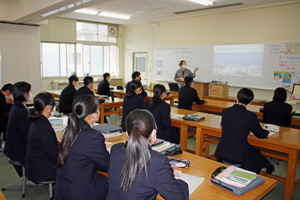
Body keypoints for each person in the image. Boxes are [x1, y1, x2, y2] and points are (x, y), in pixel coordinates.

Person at [107, 109, 189, 200]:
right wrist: (176, 179)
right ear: (154, 133)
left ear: (127, 133)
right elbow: (180, 197)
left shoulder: (115, 149)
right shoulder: (158, 162)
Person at [55, 95, 110, 200]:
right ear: (93, 115)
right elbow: (106, 165)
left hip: (64, 186)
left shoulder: (71, 128)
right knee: (115, 184)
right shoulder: (93, 136)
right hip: (80, 190)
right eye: (98, 109)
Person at [215, 88, 274, 174]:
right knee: (257, 154)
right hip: (238, 156)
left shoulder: (225, 111)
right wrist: (268, 132)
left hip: (222, 152)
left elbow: (227, 125)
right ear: (250, 102)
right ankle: (268, 167)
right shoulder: (251, 116)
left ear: (236, 98)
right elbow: (261, 134)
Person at [25, 93, 58, 182]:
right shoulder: (44, 128)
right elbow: (54, 154)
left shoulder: (37, 120)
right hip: (42, 169)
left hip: (34, 165)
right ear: (48, 107)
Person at [4, 81, 32, 176]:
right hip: (18, 150)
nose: (30, 94)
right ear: (24, 94)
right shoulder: (20, 112)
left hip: (14, 147)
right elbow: (28, 134)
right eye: (29, 92)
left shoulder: (17, 107)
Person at [0, 83, 14, 149]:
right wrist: (7, 102)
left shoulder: (2, 97)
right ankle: (5, 142)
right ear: (7, 92)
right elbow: (4, 109)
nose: (10, 96)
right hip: (2, 119)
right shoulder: (1, 96)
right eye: (10, 94)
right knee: (6, 121)